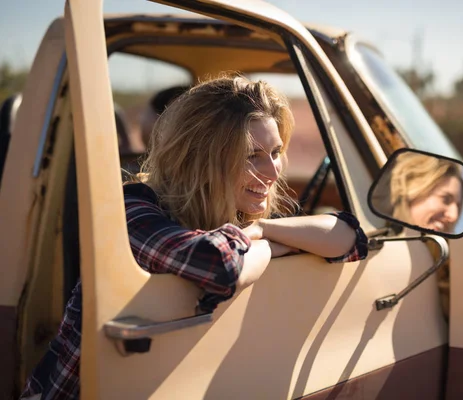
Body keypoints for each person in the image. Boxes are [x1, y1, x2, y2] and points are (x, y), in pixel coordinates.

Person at [20, 75, 368, 400]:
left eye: (275, 152)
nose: (274, 171)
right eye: (251, 156)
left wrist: (262, 230)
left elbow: (349, 237)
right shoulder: (133, 209)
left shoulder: (243, 217)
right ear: (201, 160)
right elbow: (221, 265)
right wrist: (268, 243)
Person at [373, 151, 463, 233]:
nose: (454, 216)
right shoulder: (373, 228)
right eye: (445, 199)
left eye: (458, 206)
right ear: (411, 190)